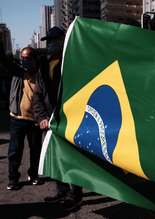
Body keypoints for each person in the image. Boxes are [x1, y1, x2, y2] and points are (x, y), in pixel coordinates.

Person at [33, 26, 83, 211]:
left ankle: (75, 195)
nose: (51, 45)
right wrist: (41, 117)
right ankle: (61, 191)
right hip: (50, 121)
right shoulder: (44, 65)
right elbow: (37, 95)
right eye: (49, 42)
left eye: (55, 41)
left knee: (71, 158)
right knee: (54, 158)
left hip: (68, 120)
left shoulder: (72, 61)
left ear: (64, 40)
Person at [7, 47, 43, 190]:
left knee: (35, 150)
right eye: (22, 58)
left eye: (27, 58)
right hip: (17, 119)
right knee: (15, 150)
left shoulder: (41, 74)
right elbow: (5, 61)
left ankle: (33, 175)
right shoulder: (18, 72)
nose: (24, 61)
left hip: (35, 120)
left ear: (34, 59)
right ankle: (13, 179)